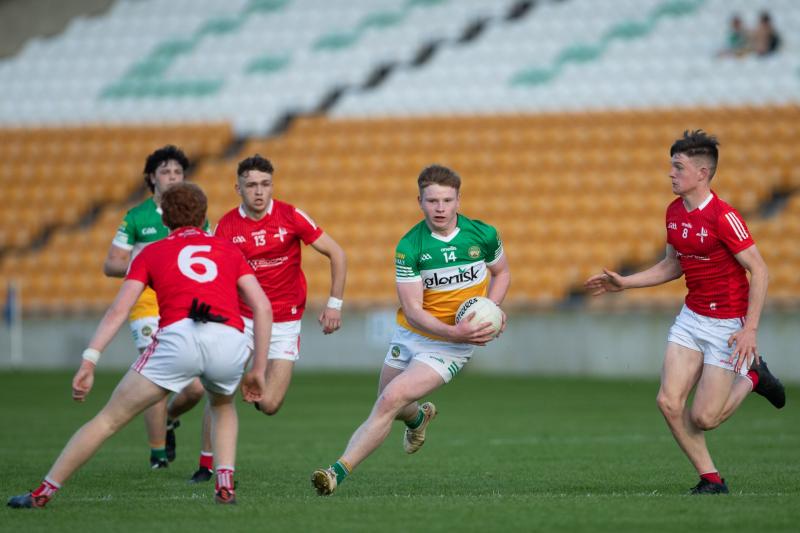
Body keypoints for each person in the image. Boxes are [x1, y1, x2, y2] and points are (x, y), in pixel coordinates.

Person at [8, 183, 272, 508]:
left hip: (179, 336)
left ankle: (42, 494)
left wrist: (90, 360)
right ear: (204, 216)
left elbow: (119, 310)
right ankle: (225, 487)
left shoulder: (151, 252)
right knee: (221, 405)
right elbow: (262, 306)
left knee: (107, 421)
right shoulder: (228, 249)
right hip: (228, 339)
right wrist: (258, 368)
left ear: (165, 219)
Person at [584, 130, 786, 495]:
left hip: (728, 324)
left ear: (702, 173)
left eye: (678, 167)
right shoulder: (674, 211)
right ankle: (711, 479)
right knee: (668, 401)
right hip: (692, 318)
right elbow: (672, 266)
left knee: (705, 418)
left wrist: (750, 330)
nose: (671, 174)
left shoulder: (724, 216)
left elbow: (761, 270)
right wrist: (624, 283)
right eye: (671, 166)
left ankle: (754, 378)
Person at [311, 164, 511, 495]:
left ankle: (336, 472)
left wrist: (492, 309)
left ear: (459, 199)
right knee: (392, 403)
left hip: (451, 346)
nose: (441, 208)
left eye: (447, 200)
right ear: (419, 201)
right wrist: (455, 331)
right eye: (432, 201)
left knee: (390, 399)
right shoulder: (410, 246)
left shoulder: (484, 235)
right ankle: (418, 420)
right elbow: (415, 312)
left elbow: (501, 273)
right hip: (413, 334)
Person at [165, 154, 347, 483]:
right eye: (251, 185)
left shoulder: (291, 216)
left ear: (272, 186)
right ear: (238, 188)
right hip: (241, 319)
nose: (259, 192)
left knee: (271, 404)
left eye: (265, 184)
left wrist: (334, 304)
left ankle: (254, 379)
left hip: (285, 321)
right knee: (221, 390)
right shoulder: (226, 227)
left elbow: (337, 253)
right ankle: (206, 465)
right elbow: (215, 274)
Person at [102, 145, 207, 469]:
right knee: (158, 381)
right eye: (166, 172)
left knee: (196, 389)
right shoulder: (137, 217)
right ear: (152, 178)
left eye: (178, 173)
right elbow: (111, 265)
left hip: (185, 305)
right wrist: (150, 264)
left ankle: (170, 419)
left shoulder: (196, 216)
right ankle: (158, 454)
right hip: (147, 304)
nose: (173, 178)